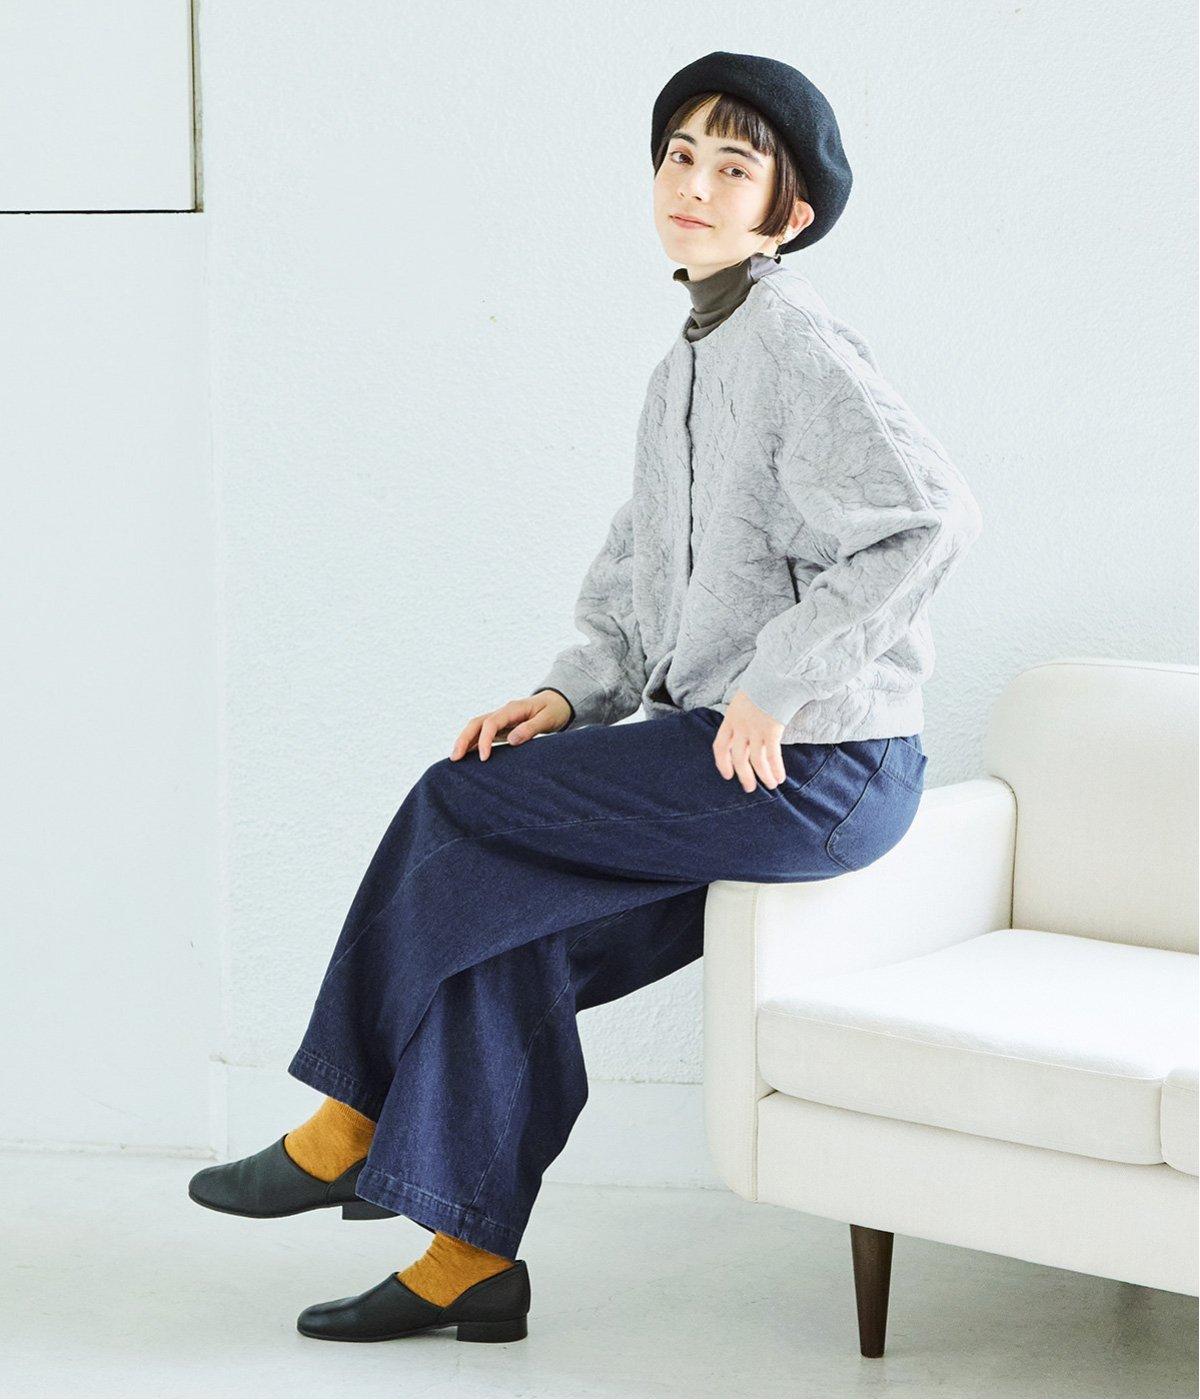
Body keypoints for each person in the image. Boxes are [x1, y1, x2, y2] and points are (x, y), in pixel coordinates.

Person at [188, 50, 983, 1346]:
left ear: (787, 215)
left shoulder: (794, 343)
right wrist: (571, 696)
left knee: (457, 798)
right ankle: (469, 1261)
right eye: (679, 155)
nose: (694, 184)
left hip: (822, 767)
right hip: (723, 760)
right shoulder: (690, 360)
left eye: (733, 167)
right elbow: (638, 575)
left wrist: (777, 686)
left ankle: (344, 1124)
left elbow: (926, 521)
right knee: (511, 935)